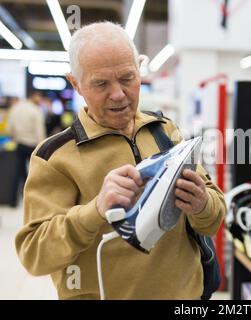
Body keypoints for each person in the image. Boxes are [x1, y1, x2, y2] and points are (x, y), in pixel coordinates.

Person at [15, 22, 226, 299]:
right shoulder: (55, 156)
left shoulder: (166, 131)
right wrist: (94, 211)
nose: (117, 94)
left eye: (127, 78)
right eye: (101, 83)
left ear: (139, 69)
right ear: (76, 84)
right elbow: (34, 255)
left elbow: (213, 217)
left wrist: (201, 204)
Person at [7, 91, 46, 206]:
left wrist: (15, 137)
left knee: (18, 172)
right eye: (39, 97)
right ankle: (32, 202)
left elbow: (10, 128)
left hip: (19, 144)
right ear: (34, 96)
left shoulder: (16, 108)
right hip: (32, 145)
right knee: (34, 174)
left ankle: (13, 201)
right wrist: (43, 146)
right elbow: (39, 131)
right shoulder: (36, 110)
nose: (40, 99)